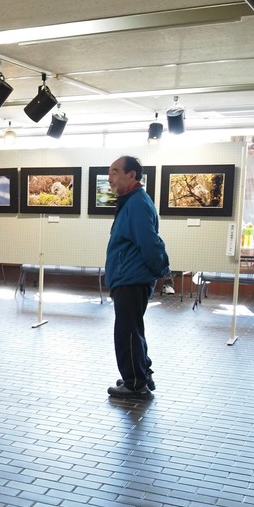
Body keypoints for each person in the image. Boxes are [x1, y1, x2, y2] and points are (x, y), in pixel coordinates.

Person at [104, 155, 170, 399]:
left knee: (127, 333)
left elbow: (150, 242)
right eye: (109, 172)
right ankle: (141, 374)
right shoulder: (131, 201)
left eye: (115, 172)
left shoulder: (137, 203)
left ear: (131, 175)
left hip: (131, 279)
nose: (110, 178)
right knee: (133, 329)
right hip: (128, 277)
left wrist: (162, 270)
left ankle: (135, 384)